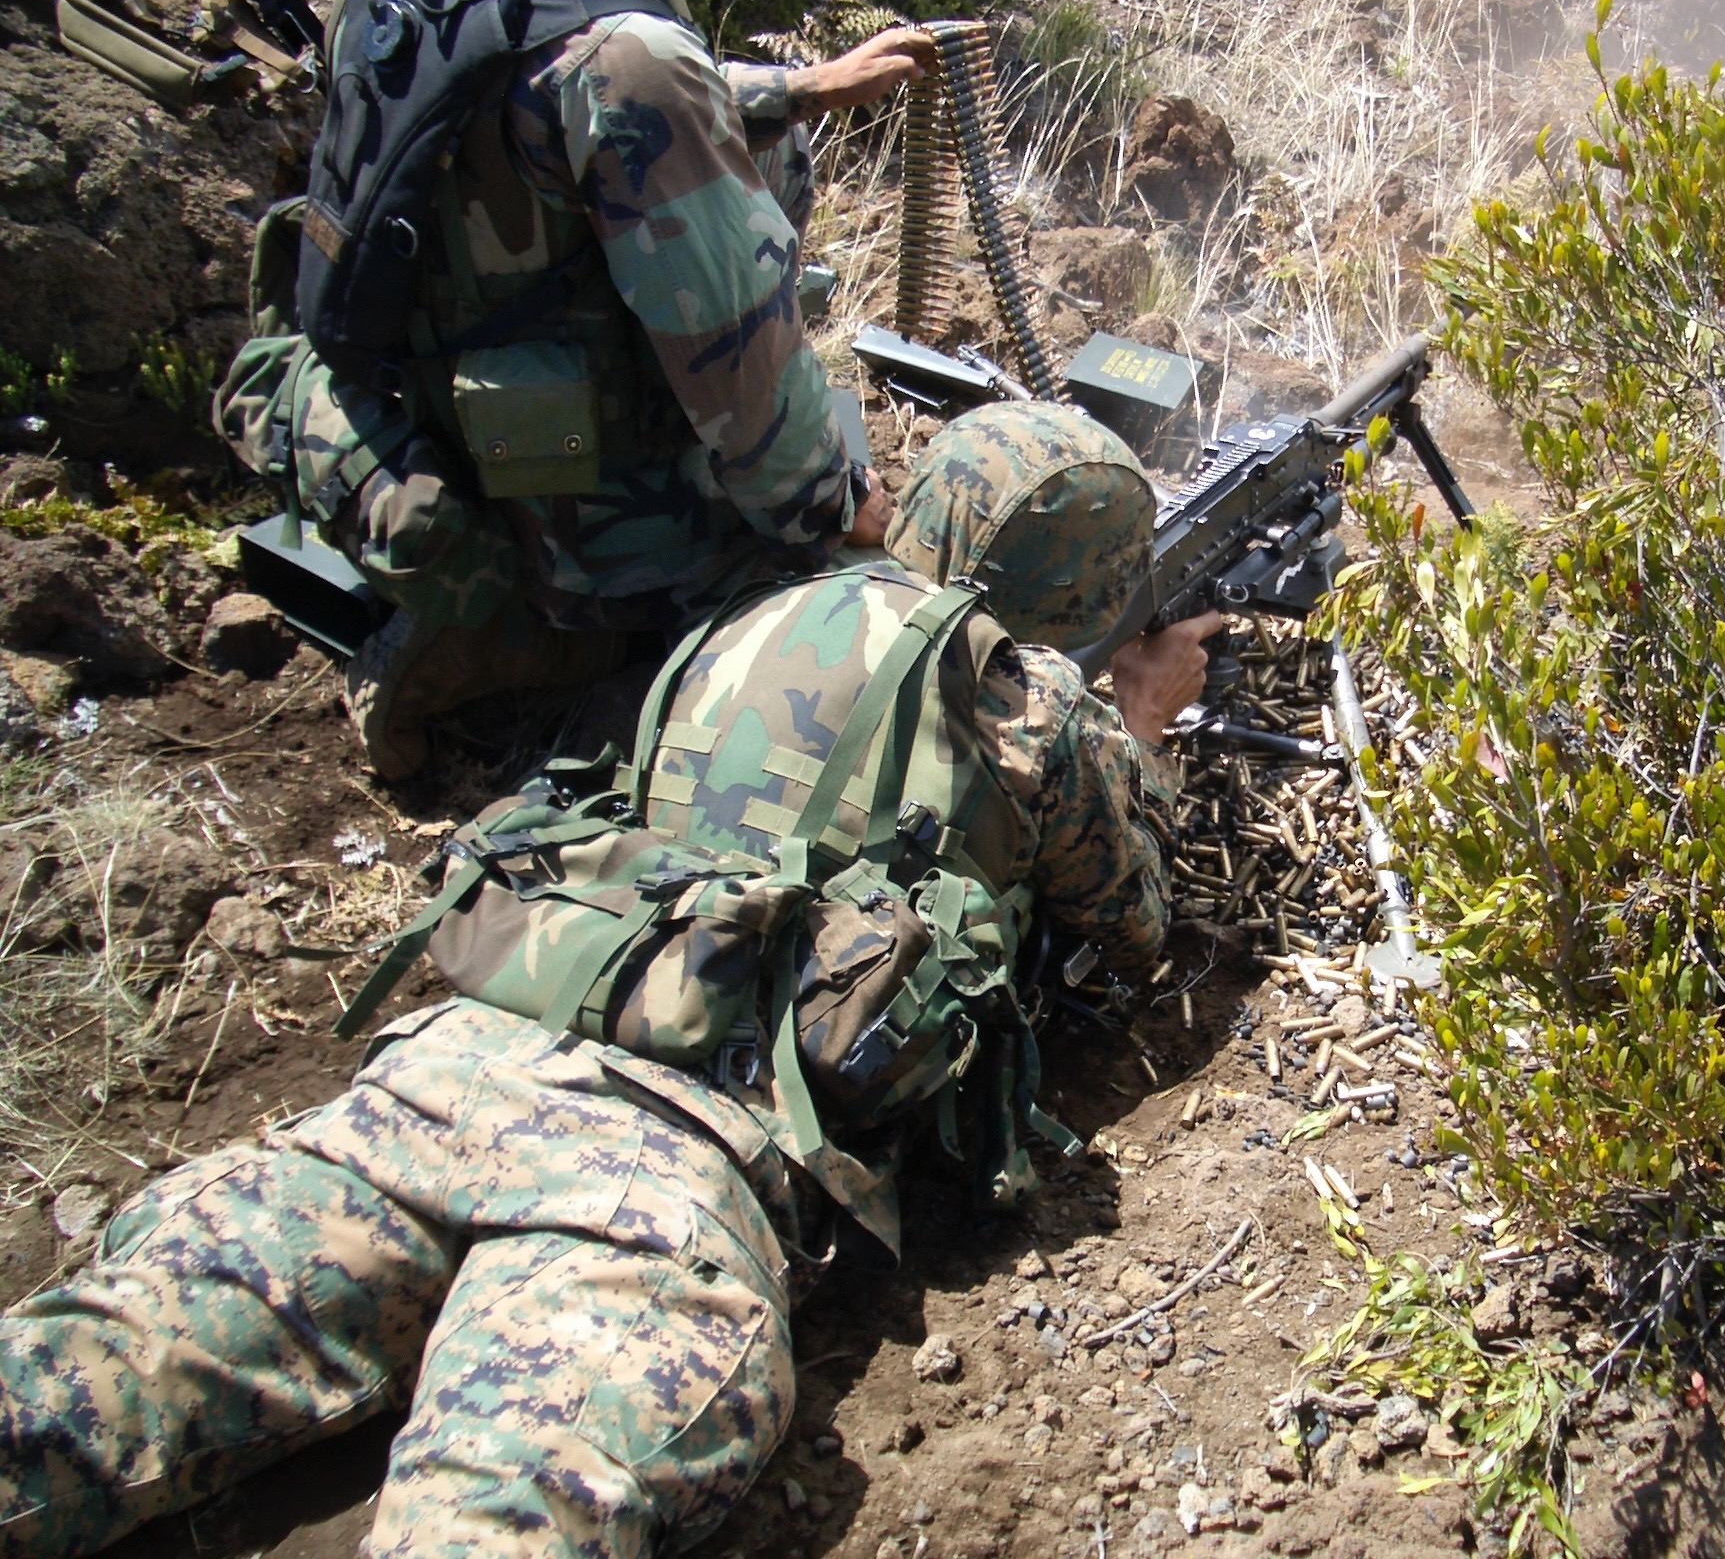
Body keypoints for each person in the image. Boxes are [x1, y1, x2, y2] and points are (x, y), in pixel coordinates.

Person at [0, 404, 1228, 1559]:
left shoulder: (749, 600)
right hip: (662, 1175)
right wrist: (1141, 724)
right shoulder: (1031, 699)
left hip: (455, 1073)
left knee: (85, 1381)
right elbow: (1134, 930)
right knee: (500, 1518)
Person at [218, 0, 925, 781]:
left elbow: (549, 98)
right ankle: (530, 644)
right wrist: (842, 508)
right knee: (884, 628)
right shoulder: (628, 58)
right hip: (572, 535)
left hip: (431, 417)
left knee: (770, 146)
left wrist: (791, 91)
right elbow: (748, 397)